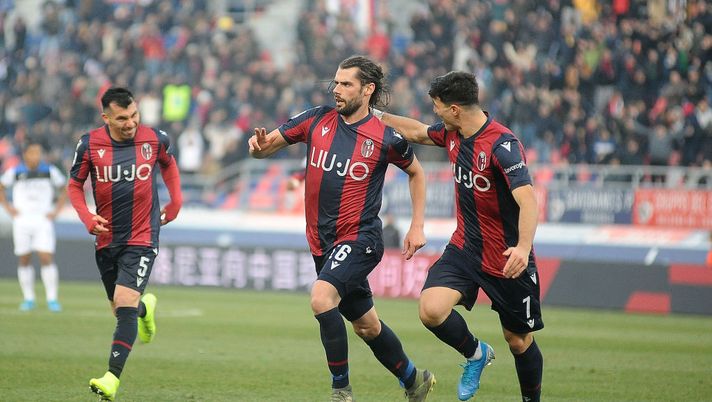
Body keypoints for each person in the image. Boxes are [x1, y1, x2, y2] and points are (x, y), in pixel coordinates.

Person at [248, 55, 435, 402]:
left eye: (345, 84)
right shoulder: (316, 119)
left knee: (321, 298)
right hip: (322, 243)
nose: (336, 89)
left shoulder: (385, 138)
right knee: (367, 326)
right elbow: (266, 146)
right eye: (335, 82)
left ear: (368, 90)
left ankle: (341, 391)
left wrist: (417, 225)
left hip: (360, 238)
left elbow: (417, 172)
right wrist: (258, 148)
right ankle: (415, 380)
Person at [376, 71, 544, 402]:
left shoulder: (502, 146)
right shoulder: (452, 133)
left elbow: (528, 201)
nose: (435, 113)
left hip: (507, 258)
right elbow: (417, 131)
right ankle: (476, 354)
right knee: (431, 310)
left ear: (454, 109)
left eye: (438, 107)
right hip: (465, 248)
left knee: (518, 340)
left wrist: (523, 248)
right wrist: (374, 115)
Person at [67, 87, 183, 401]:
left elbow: (169, 165)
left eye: (134, 115)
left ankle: (111, 378)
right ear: (106, 117)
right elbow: (75, 186)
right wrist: (87, 218)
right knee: (122, 307)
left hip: (143, 235)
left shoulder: (155, 139)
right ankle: (146, 311)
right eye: (121, 118)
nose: (130, 122)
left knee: (124, 300)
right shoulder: (89, 144)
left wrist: (176, 201)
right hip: (106, 237)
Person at [0, 141, 66, 312]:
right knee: (24, 258)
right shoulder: (15, 171)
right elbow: (1, 186)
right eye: (32, 153)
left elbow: (65, 188)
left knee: (46, 257)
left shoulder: (49, 171)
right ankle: (28, 298)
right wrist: (8, 207)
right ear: (25, 154)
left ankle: (52, 299)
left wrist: (56, 210)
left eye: (38, 152)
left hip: (43, 220)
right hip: (22, 221)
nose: (36, 156)